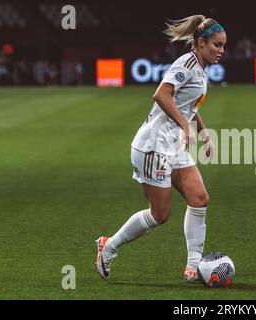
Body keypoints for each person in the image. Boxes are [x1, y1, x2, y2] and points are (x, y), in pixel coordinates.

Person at [95, 15, 226, 283]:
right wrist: (184, 125)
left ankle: (193, 267)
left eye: (223, 45)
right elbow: (161, 94)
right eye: (216, 45)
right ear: (201, 43)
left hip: (173, 145)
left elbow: (190, 106)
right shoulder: (186, 63)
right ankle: (108, 246)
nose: (221, 50)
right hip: (153, 147)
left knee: (199, 199)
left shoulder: (200, 67)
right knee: (160, 214)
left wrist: (202, 132)